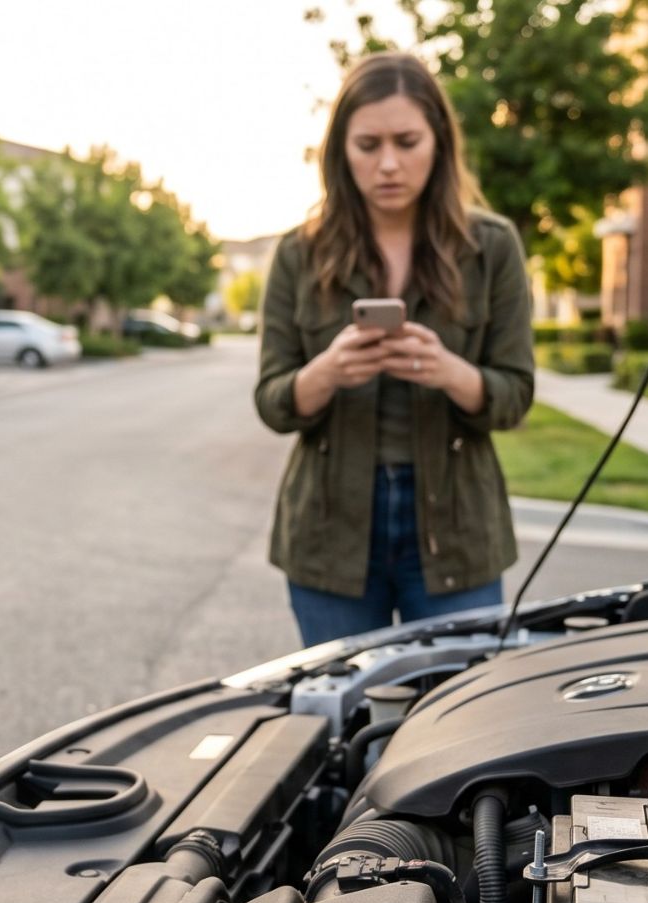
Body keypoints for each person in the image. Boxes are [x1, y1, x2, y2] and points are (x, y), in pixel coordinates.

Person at [255, 52, 535, 648]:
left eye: (407, 141)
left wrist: (453, 373)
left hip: (456, 527)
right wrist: (325, 373)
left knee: (460, 724)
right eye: (367, 144)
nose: (388, 164)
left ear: (438, 141)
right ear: (340, 151)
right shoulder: (299, 254)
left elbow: (515, 395)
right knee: (343, 724)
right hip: (330, 530)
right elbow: (273, 401)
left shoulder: (491, 246)